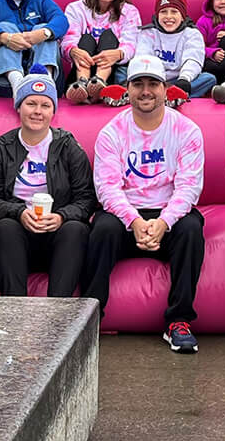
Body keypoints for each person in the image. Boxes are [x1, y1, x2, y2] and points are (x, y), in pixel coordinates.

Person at [86, 53, 207, 352]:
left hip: (168, 215)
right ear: (127, 90)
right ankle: (91, 320)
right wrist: (135, 222)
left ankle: (178, 321)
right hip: (127, 215)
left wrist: (163, 222)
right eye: (138, 84)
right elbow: (107, 189)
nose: (146, 91)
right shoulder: (111, 132)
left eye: (153, 84)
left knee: (191, 227)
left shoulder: (186, 130)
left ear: (165, 88)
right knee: (101, 229)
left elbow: (190, 187)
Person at [0, 73, 97, 301]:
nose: (37, 111)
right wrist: (19, 212)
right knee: (5, 227)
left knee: (76, 229)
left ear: (53, 112)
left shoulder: (68, 146)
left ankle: (57, 314)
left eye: (45, 105)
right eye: (31, 103)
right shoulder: (2, 147)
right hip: (15, 239)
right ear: (19, 107)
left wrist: (61, 216)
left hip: (57, 238)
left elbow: (86, 198)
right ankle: (16, 311)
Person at [62, 0, 141, 105]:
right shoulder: (75, 8)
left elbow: (131, 45)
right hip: (80, 73)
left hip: (110, 76)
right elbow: (67, 41)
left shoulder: (129, 12)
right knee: (86, 39)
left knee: (108, 37)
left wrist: (118, 53)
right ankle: (82, 84)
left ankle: (99, 82)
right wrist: (73, 51)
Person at [139, 0, 214, 103]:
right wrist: (153, 80)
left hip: (179, 80)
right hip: (151, 80)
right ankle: (166, 94)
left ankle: (171, 93)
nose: (168, 16)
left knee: (208, 79)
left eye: (174, 12)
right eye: (163, 12)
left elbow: (193, 59)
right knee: (123, 72)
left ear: (183, 15)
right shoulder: (148, 33)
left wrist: (184, 78)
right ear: (157, 15)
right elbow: (143, 57)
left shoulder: (192, 33)